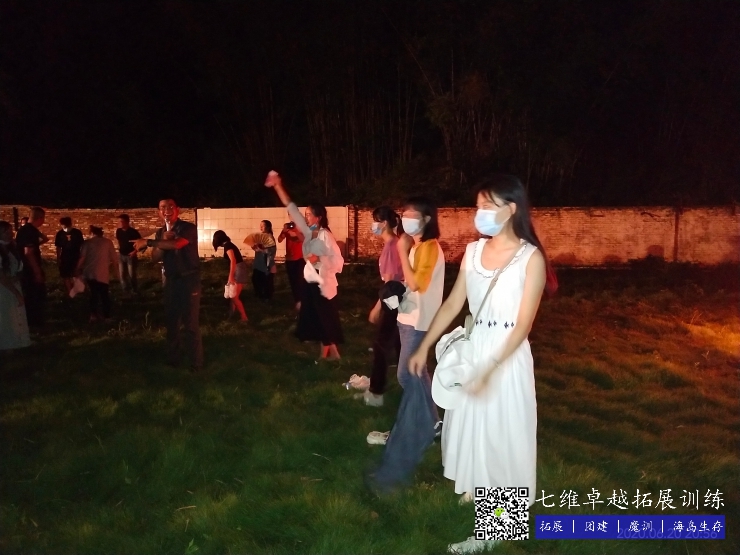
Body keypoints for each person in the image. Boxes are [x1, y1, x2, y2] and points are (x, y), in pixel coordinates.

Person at [408, 174, 557, 554]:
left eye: (488, 206)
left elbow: (522, 326)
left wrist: (490, 369)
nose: (480, 213)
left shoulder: (530, 258)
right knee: (472, 428)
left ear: (511, 209)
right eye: (478, 206)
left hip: (506, 356)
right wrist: (423, 347)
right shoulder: (473, 253)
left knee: (500, 436)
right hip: (474, 349)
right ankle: (479, 487)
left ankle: (497, 528)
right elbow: (453, 304)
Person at [365, 196, 445, 492]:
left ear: (427, 219)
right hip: (409, 317)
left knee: (406, 375)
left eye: (413, 214)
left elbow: (416, 283)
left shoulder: (429, 247)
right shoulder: (420, 246)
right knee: (417, 373)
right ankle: (432, 424)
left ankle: (417, 428)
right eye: (406, 213)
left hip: (418, 321)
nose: (407, 218)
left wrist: (401, 250)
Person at [264, 171, 344, 360]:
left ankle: (325, 356)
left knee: (323, 317)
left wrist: (318, 259)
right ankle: (333, 354)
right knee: (317, 316)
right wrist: (278, 186)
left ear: (318, 217)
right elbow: (291, 208)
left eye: (309, 214)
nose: (305, 217)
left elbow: (336, 260)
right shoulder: (310, 233)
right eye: (305, 214)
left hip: (322, 284)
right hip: (311, 282)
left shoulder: (324, 235)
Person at [133, 199, 203, 372]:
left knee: (190, 324)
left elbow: (177, 244)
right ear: (159, 212)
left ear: (178, 210)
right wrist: (161, 241)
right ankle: (173, 360)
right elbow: (155, 257)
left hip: (189, 280)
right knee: (172, 323)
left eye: (171, 206)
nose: (167, 209)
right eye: (162, 207)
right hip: (171, 281)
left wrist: (149, 242)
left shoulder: (187, 228)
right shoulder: (160, 232)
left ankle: (196, 364)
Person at [347, 206, 404, 407]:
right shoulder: (394, 243)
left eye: (375, 221)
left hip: (392, 300)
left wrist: (378, 307)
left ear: (384, 223)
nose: (373, 225)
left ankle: (376, 393)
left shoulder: (391, 246)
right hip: (399, 299)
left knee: (381, 345)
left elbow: (389, 282)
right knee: (399, 343)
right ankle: (409, 385)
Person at [0, 221, 31, 351]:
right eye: (5, 232)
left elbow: (20, 268)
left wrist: (17, 277)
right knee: (6, 317)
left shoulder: (13, 247)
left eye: (10, 231)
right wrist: (16, 293)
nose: (10, 234)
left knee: (16, 315)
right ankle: (7, 345)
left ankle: (18, 342)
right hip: (4, 289)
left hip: (14, 284)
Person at [76, 226, 118, 322]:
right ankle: (106, 316)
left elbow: (82, 257)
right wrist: (116, 272)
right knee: (104, 295)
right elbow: (114, 259)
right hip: (103, 273)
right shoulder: (108, 242)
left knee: (93, 294)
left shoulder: (87, 243)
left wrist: (77, 268)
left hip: (90, 272)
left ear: (92, 233)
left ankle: (93, 315)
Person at [14, 207, 47, 329]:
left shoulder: (23, 230)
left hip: (24, 268)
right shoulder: (30, 231)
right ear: (40, 218)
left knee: (30, 295)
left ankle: (31, 321)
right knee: (36, 296)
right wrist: (37, 271)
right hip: (30, 269)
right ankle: (34, 323)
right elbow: (28, 252)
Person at [212, 230, 248, 322]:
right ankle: (231, 314)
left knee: (234, 297)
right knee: (233, 294)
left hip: (238, 270)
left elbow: (233, 260)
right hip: (239, 268)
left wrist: (231, 276)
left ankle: (244, 317)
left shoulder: (227, 246)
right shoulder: (228, 244)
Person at [278, 221, 305, 310]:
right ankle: (297, 300)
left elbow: (302, 239)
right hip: (290, 258)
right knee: (292, 280)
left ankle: (301, 300)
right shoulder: (287, 227)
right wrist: (283, 231)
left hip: (300, 258)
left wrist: (296, 233)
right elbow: (279, 240)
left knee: (299, 280)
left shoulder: (301, 227)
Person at [54, 217, 84, 295]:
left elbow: (82, 245)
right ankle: (70, 292)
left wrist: (82, 256)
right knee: (66, 275)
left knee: (76, 273)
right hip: (65, 256)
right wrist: (58, 258)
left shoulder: (77, 233)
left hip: (75, 255)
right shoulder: (60, 234)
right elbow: (58, 247)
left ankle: (77, 290)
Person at [115, 214, 142, 295]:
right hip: (121, 255)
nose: (119, 223)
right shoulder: (118, 231)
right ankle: (125, 290)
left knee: (131, 275)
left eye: (121, 221)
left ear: (127, 222)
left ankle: (134, 290)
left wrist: (135, 251)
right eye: (119, 221)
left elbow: (141, 243)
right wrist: (118, 249)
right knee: (122, 274)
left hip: (130, 255)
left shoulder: (133, 232)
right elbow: (119, 241)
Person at [251, 220, 277, 301]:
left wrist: (261, 250)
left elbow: (271, 251)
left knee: (266, 281)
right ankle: (259, 294)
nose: (261, 227)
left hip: (266, 263)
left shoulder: (269, 237)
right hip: (259, 262)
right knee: (256, 279)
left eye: (263, 225)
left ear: (268, 227)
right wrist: (254, 247)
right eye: (260, 225)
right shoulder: (261, 236)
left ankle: (267, 297)